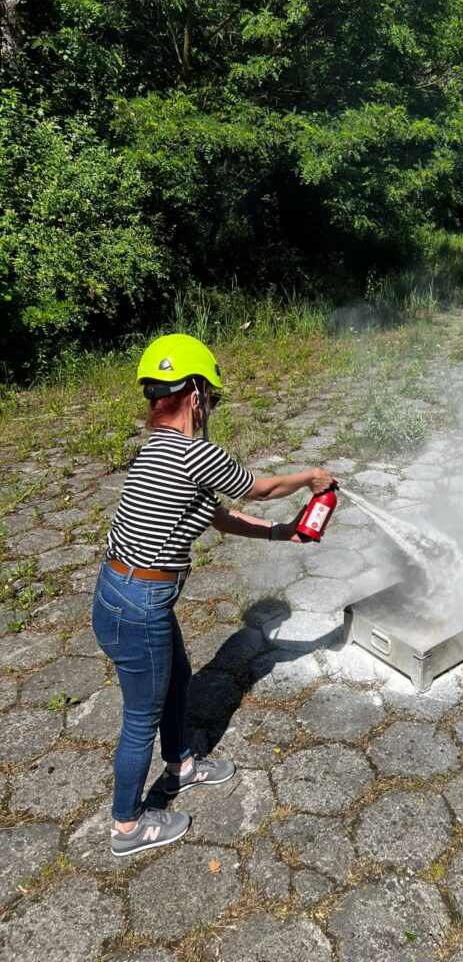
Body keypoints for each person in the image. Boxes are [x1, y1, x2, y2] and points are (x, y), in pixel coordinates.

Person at [91, 333, 333, 857]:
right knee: (139, 720)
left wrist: (280, 534)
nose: (211, 409)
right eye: (213, 399)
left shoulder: (156, 450)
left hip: (120, 596)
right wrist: (313, 475)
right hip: (139, 605)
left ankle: (180, 764)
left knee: (179, 676)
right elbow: (260, 489)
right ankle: (127, 826)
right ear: (196, 395)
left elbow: (219, 517)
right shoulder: (191, 450)